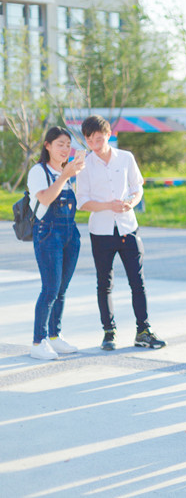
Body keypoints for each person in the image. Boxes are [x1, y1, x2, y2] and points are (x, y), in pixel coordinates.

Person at [77, 116, 165, 352]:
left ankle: (143, 331)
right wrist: (109, 206)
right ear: (85, 140)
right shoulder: (84, 165)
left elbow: (138, 187)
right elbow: (82, 202)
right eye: (89, 139)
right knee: (104, 283)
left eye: (98, 137)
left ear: (107, 134)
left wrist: (130, 203)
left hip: (128, 227)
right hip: (101, 231)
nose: (94, 142)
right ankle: (109, 332)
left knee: (138, 282)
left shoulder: (126, 158)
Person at [28, 127, 85, 360]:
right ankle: (37, 341)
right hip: (48, 233)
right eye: (60, 144)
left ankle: (54, 337)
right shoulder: (38, 171)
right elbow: (45, 198)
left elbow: (79, 202)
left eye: (68, 145)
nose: (65, 149)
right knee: (50, 289)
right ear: (47, 146)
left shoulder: (68, 173)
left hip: (70, 234)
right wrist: (65, 176)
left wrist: (76, 175)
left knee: (61, 289)